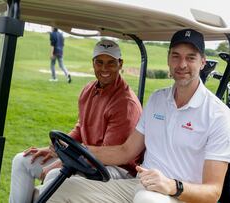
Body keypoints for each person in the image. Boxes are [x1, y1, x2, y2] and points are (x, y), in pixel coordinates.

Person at [43, 28, 230, 203]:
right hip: (138, 186)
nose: (182, 64)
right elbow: (125, 151)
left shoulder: (218, 114)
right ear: (168, 59)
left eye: (190, 58)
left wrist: (171, 185)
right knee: (61, 187)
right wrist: (77, 149)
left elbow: (213, 192)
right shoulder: (157, 100)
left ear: (202, 62)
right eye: (176, 56)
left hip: (181, 196)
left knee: (147, 199)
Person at [9, 39, 143, 203]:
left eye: (111, 63)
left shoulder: (125, 104)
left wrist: (60, 162)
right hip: (86, 156)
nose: (104, 68)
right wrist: (55, 150)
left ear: (120, 64)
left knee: (53, 176)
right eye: (99, 62)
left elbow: (108, 154)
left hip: (115, 170)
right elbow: (81, 128)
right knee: (22, 160)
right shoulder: (89, 90)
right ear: (93, 63)